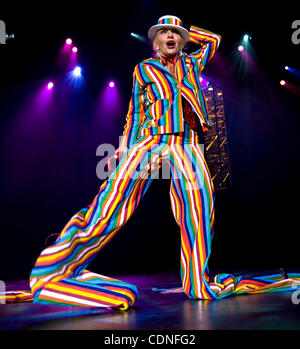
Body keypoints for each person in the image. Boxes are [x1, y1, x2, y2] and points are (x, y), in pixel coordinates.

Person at [2, 15, 300, 309]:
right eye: (164, 33)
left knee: (199, 210)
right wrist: (123, 147)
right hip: (150, 140)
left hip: (187, 143)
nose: (169, 37)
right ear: (156, 41)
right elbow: (135, 111)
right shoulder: (144, 70)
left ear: (181, 41)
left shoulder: (191, 62)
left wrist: (185, 31)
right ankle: (54, 268)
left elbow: (214, 40)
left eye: (175, 34)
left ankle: (197, 280)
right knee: (110, 206)